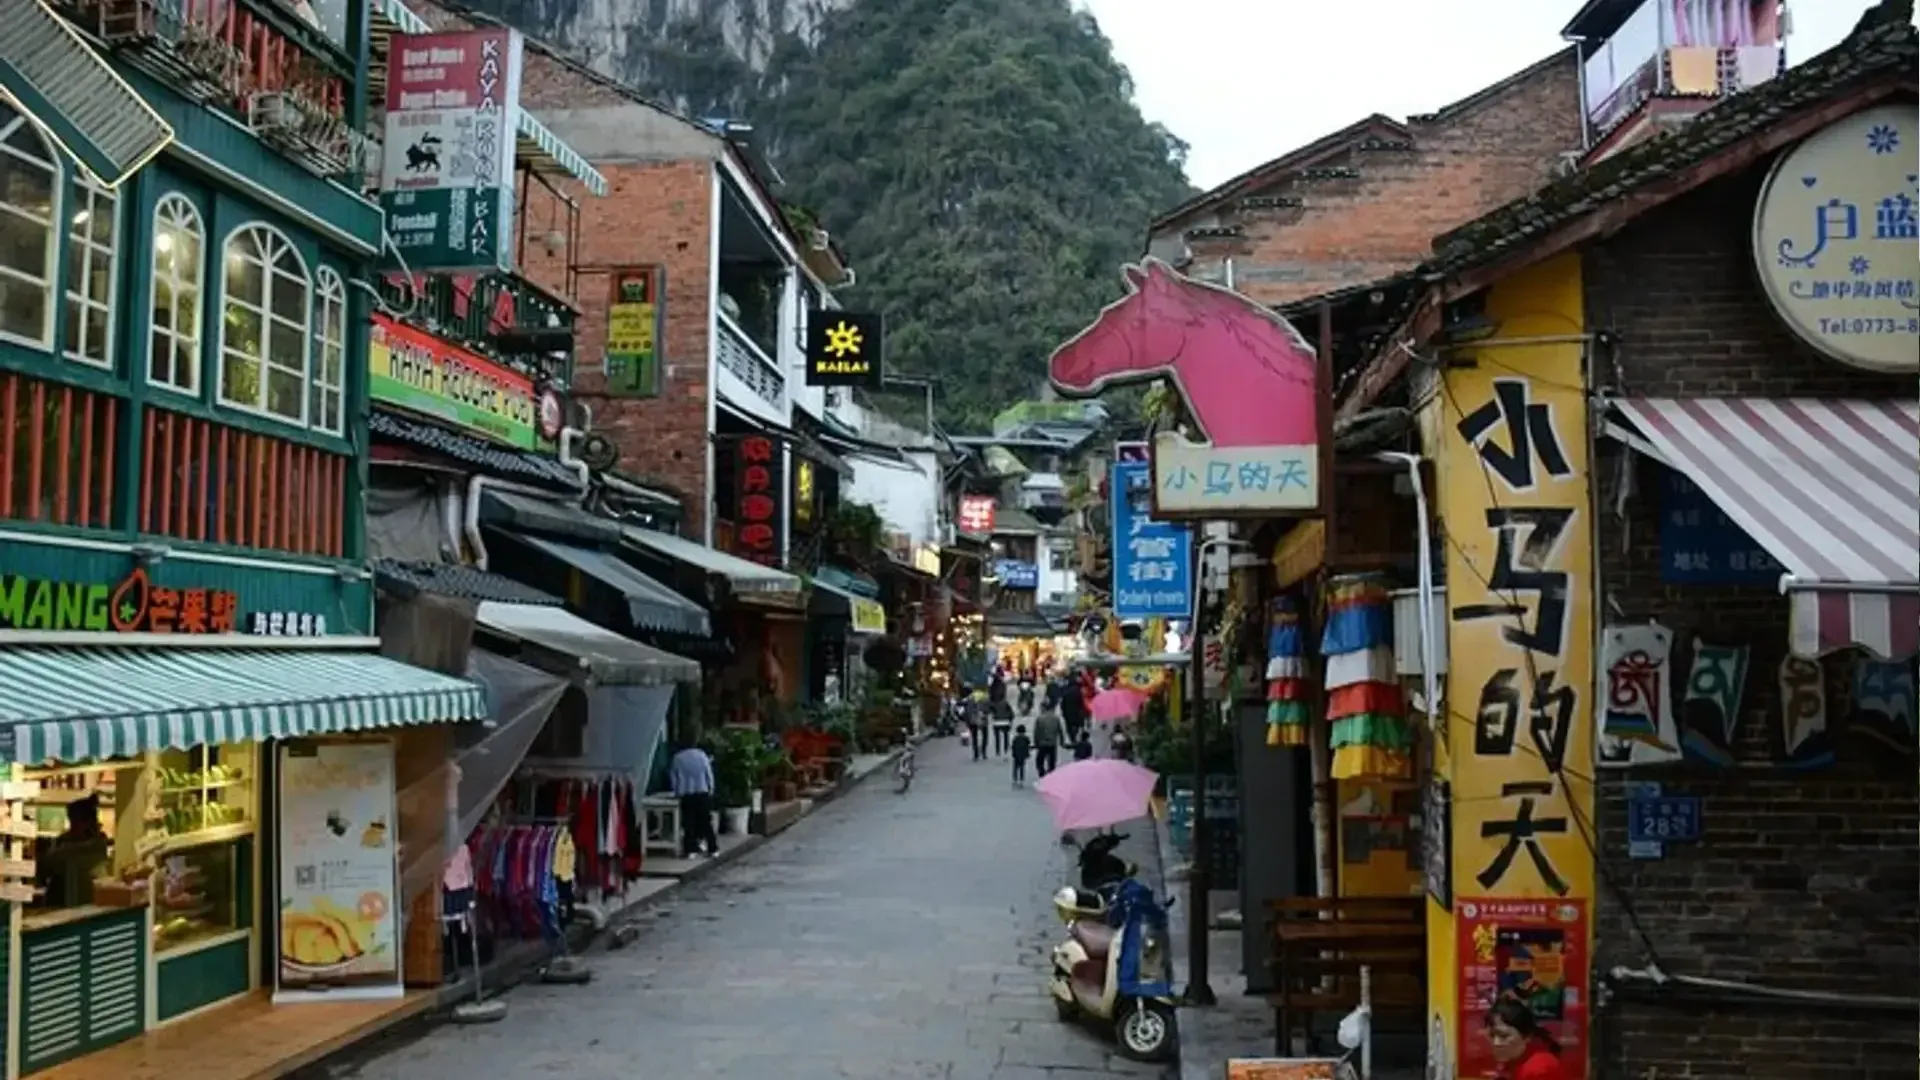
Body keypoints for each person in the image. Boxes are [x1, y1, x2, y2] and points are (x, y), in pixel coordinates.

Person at [39, 795, 109, 907]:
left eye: (75, 822)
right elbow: (45, 868)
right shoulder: (64, 841)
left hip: (86, 901)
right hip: (62, 901)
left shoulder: (96, 843)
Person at [1485, 997, 1568, 1080]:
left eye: (1504, 1036)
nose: (1496, 1042)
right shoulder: (1511, 1061)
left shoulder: (1541, 1069)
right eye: (1492, 1035)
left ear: (1527, 1036)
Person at [668, 737, 719, 858]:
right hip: (702, 791)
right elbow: (708, 774)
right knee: (706, 822)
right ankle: (713, 848)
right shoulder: (701, 755)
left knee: (688, 822)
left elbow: (673, 777)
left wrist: (676, 792)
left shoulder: (677, 758)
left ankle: (691, 850)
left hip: (686, 793)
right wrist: (711, 789)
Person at [1031, 707, 1062, 778]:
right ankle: (1051, 775)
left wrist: (1036, 743)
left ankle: (1042, 774)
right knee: (1052, 762)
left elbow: (1036, 732)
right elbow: (1060, 730)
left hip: (1042, 743)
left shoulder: (1040, 719)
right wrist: (1062, 741)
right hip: (1052, 743)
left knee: (1039, 761)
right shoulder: (1056, 718)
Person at [967, 688, 989, 761]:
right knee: (985, 736)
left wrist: (969, 720)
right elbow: (988, 709)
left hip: (973, 719)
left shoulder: (970, 698)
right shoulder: (985, 697)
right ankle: (983, 753)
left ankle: (976, 754)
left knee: (974, 737)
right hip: (983, 719)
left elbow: (969, 710)